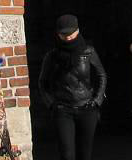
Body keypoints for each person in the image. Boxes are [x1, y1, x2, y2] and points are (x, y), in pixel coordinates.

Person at [38, 14, 107, 160]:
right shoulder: (52, 56)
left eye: (71, 33)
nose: (68, 37)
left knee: (85, 154)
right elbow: (43, 82)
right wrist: (51, 104)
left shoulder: (88, 51)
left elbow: (101, 75)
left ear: (78, 30)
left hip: (87, 107)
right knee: (67, 155)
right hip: (63, 109)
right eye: (64, 34)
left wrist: (97, 100)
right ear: (58, 34)